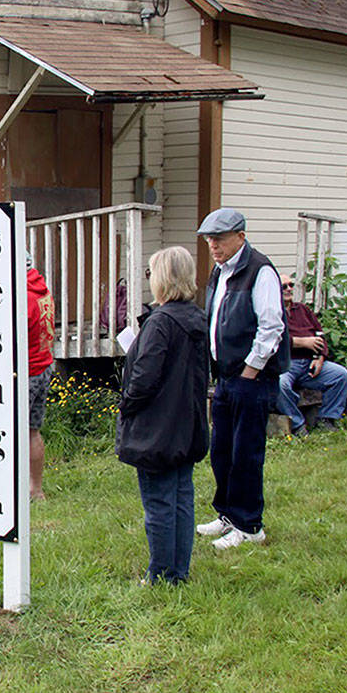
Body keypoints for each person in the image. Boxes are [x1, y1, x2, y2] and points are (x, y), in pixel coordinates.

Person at [196, 208, 291, 550]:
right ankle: (227, 515)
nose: (213, 246)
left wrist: (251, 370)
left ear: (240, 236)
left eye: (219, 239)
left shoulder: (260, 271)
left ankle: (250, 525)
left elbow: (271, 327)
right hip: (225, 376)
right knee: (222, 450)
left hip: (250, 378)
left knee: (246, 452)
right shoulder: (219, 273)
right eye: (209, 240)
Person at [117, 247, 209, 584]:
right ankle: (178, 571)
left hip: (157, 427)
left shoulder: (161, 323)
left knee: (158, 503)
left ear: (163, 278)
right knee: (182, 498)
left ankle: (160, 573)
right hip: (187, 422)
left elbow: (145, 378)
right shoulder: (195, 317)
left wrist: (127, 405)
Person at [276, 274, 347, 437]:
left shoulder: (302, 309)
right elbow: (272, 340)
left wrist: (320, 358)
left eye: (291, 285)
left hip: (310, 363)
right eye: (284, 286)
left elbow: (320, 335)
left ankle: (327, 418)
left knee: (341, 375)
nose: (288, 289)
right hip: (286, 364)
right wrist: (300, 342)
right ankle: (298, 424)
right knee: (280, 385)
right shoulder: (273, 311)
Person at [27, 253, 55, 500]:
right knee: (32, 432)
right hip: (44, 365)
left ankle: (8, 494)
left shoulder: (20, 296)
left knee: (10, 437)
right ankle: (36, 490)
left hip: (25, 374)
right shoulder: (41, 287)